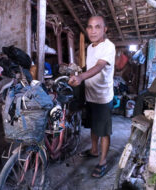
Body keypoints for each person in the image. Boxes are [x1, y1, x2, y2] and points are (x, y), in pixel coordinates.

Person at [68, 15, 116, 178]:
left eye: (97, 27)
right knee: (93, 126)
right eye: (90, 27)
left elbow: (99, 66)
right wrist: (77, 71)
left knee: (103, 131)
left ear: (105, 29)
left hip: (103, 98)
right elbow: (89, 66)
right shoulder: (90, 48)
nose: (93, 31)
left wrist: (81, 78)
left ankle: (102, 162)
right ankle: (94, 150)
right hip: (90, 95)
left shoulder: (109, 47)